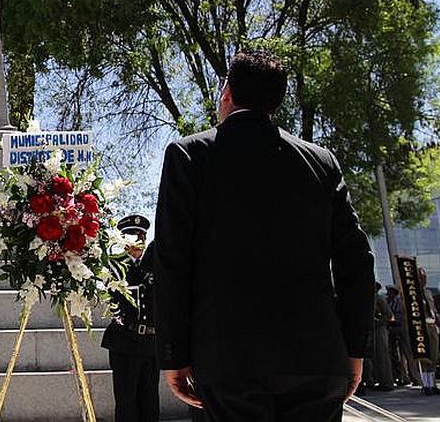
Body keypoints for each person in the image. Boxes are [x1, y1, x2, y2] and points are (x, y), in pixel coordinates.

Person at [154, 49, 375, 422]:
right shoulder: (321, 161)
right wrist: (355, 348)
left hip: (229, 358)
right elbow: (357, 259)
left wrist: (174, 353)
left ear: (227, 94)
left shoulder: (189, 155)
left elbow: (173, 260)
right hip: (316, 356)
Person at [103, 214, 159, 422]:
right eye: (133, 237)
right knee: (127, 404)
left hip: (150, 342)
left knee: (150, 403)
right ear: (123, 240)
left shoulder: (154, 265)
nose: (139, 241)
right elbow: (113, 299)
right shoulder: (116, 267)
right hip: (125, 341)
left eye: (142, 236)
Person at [418, 268, 440, 396]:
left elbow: (433, 308)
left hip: (432, 324)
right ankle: (426, 385)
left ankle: (433, 384)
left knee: (434, 355)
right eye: (421, 277)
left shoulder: (428, 292)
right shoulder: (413, 294)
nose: (423, 280)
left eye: (424, 277)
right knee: (424, 357)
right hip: (421, 326)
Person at [385, 286, 411, 386]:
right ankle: (401, 377)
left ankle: (410, 376)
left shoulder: (399, 301)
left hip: (400, 328)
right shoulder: (390, 301)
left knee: (405, 352)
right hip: (393, 329)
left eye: (389, 291)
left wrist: (393, 321)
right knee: (396, 355)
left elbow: (398, 315)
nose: (388, 294)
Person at [370, 283, 394, 391]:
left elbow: (389, 315)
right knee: (376, 356)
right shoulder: (371, 299)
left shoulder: (379, 299)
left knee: (383, 356)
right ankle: (380, 380)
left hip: (380, 329)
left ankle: (387, 382)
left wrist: (379, 322)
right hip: (373, 330)